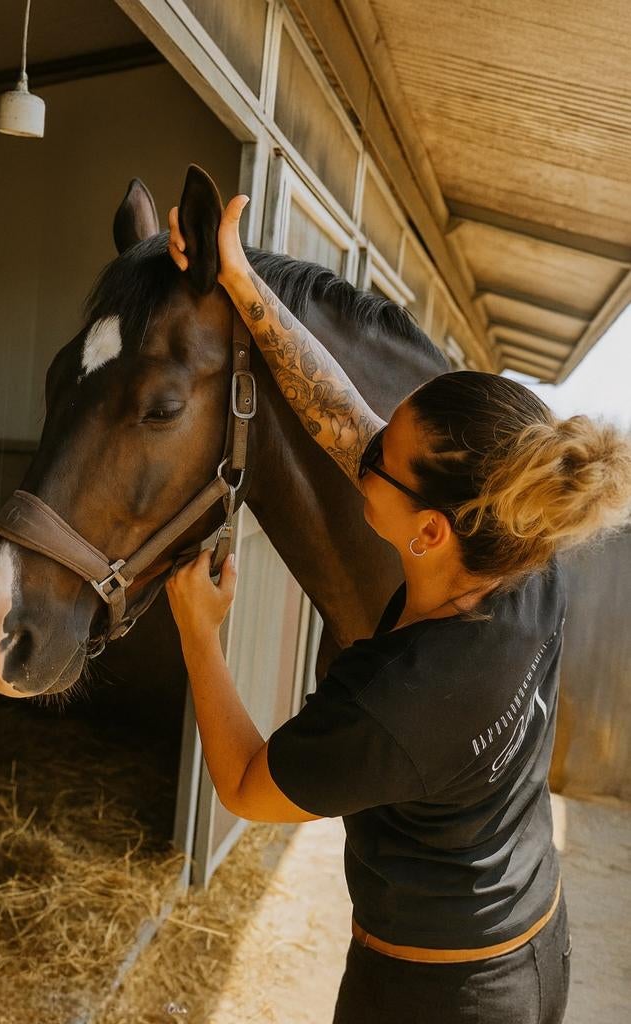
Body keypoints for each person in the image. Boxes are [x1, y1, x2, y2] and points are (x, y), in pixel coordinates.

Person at [165, 195, 631, 1024]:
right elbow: (339, 415)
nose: (363, 442)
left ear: (426, 531)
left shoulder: (396, 699)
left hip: (438, 998)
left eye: (384, 454)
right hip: (530, 936)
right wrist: (241, 282)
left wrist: (200, 633)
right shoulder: (525, 556)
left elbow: (241, 784)